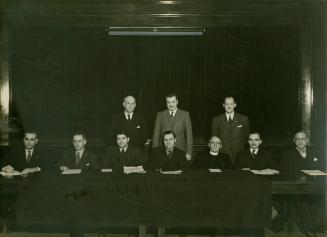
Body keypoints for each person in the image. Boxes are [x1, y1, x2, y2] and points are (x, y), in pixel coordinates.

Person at [276, 131, 323, 236]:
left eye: (303, 139)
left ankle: (314, 224)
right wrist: (298, 177)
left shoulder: (315, 153)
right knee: (301, 200)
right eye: (297, 139)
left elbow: (321, 167)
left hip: (313, 186)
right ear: (294, 141)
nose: (300, 141)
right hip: (295, 186)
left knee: (320, 199)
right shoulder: (287, 154)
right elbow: (283, 172)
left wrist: (316, 175)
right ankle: (307, 227)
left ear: (307, 140)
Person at [152, 93, 193, 161]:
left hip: (180, 150)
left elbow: (189, 135)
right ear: (166, 103)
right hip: (163, 151)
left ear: (177, 102)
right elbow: (156, 135)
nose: (171, 104)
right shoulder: (160, 115)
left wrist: (189, 153)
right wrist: (155, 153)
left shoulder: (185, 114)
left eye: (173, 102)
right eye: (168, 102)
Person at [211, 96, 249, 163]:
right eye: (226, 104)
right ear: (223, 105)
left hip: (239, 154)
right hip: (222, 154)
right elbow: (214, 138)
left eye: (231, 104)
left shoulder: (244, 119)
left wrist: (241, 150)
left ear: (235, 105)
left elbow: (245, 137)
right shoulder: (216, 120)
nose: (229, 106)